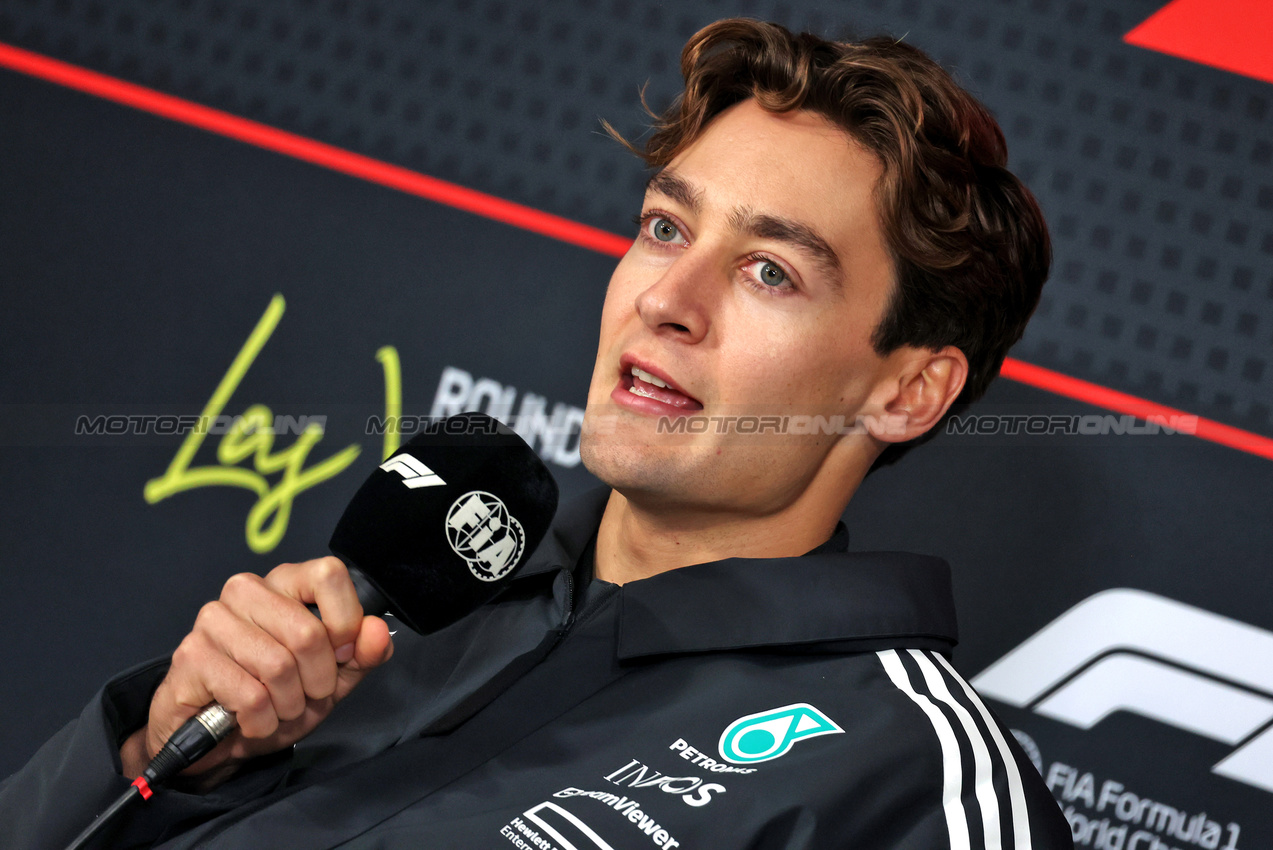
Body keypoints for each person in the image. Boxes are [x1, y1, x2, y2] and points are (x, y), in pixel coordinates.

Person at [2, 18, 1073, 849]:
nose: (668, 298)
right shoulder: (415, 603)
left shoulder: (913, 779)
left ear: (907, 391)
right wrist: (163, 754)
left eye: (768, 271)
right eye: (665, 227)